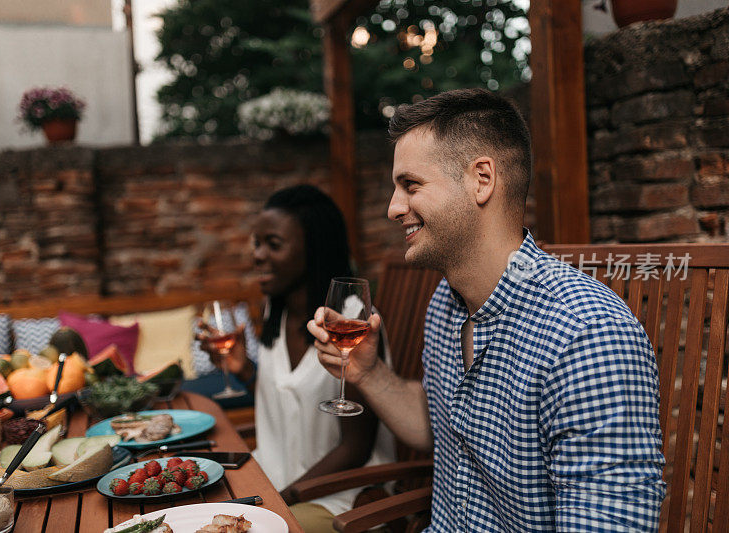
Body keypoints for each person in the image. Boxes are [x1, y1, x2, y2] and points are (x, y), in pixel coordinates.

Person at [308, 89, 665, 531]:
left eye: (411, 185)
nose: (393, 208)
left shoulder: (586, 335)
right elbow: (438, 429)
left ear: (482, 179)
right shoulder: (446, 302)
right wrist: (367, 373)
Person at [200, 184, 394, 532]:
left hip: (339, 500)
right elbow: (290, 400)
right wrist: (242, 369)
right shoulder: (279, 310)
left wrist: (279, 496)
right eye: (257, 243)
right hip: (276, 483)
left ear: (314, 249)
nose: (258, 255)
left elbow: (356, 448)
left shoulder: (352, 321)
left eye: (273, 244)